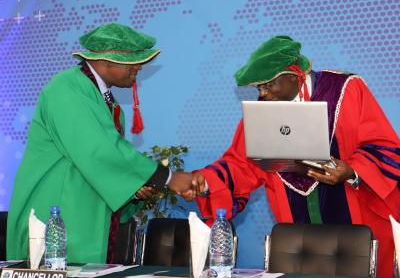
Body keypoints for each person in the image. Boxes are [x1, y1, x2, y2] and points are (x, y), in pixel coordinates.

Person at [190, 36, 400, 277]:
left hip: (357, 226)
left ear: (292, 76)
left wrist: (352, 171)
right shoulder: (263, 112)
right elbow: (241, 164)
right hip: (297, 239)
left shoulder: (345, 89)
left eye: (268, 85)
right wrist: (205, 180)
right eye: (259, 88)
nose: (263, 93)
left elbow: (382, 144)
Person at [7, 23, 193, 264]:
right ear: (107, 61)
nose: (138, 67)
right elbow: (98, 151)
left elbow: (101, 166)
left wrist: (133, 190)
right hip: (55, 219)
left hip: (85, 218)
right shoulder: (66, 89)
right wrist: (167, 177)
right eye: (133, 61)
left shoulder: (106, 102)